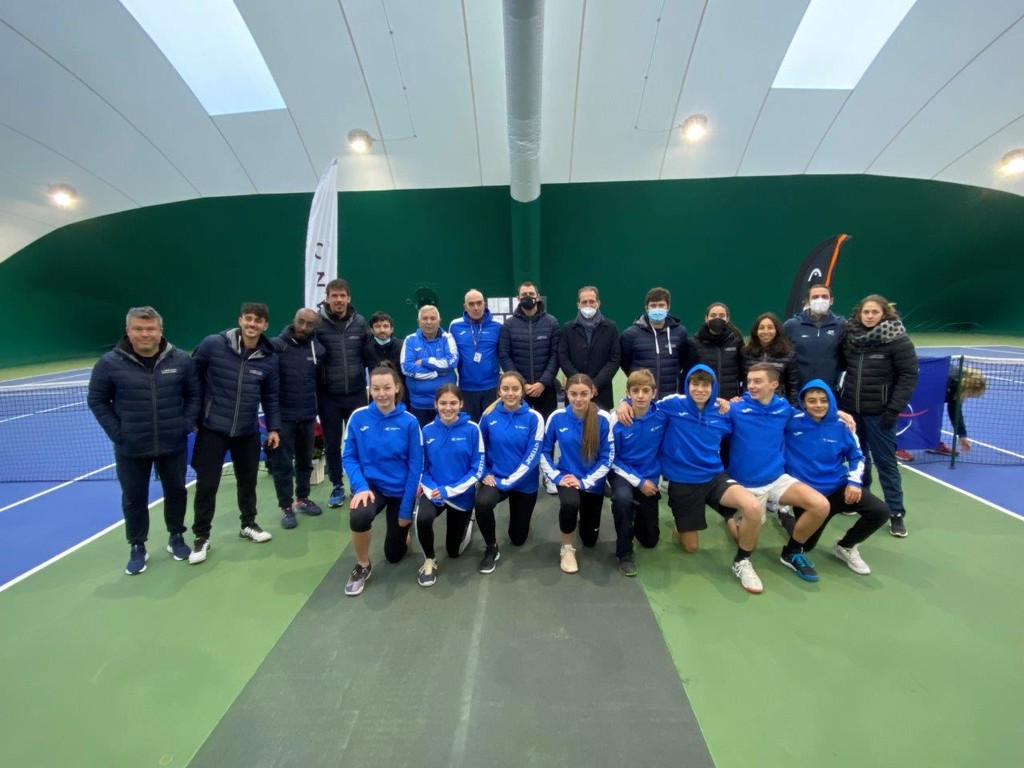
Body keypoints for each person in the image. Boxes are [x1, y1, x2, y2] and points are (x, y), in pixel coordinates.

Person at [616, 364, 765, 593]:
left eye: (706, 385)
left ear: (713, 388)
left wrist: (731, 402)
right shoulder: (672, 405)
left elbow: (753, 409)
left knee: (753, 508)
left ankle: (742, 561)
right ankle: (684, 524)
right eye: (695, 384)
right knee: (690, 548)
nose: (700, 389)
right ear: (688, 385)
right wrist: (623, 402)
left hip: (714, 477)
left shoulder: (724, 410)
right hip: (683, 481)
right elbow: (643, 402)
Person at [88, 306, 200, 575]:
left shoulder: (180, 360)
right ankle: (137, 545)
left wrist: (184, 425)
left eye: (150, 328)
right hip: (131, 447)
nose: (145, 334)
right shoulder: (109, 364)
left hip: (172, 443)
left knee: (177, 492)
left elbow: (195, 395)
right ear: (128, 331)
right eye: (138, 329)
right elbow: (97, 400)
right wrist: (118, 433)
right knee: (134, 498)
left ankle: (176, 536)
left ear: (160, 331)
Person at [189, 302, 281, 564]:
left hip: (247, 430)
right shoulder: (212, 345)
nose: (252, 324)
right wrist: (194, 415)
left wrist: (273, 428)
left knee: (248, 480)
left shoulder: (269, 357)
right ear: (240, 320)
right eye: (248, 318)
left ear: (265, 326)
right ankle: (201, 537)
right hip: (212, 429)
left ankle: (248, 524)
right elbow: (191, 379)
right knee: (207, 484)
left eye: (258, 321)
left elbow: (271, 396)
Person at [723, 364, 832, 584]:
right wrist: (721, 402)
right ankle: (731, 522)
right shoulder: (736, 408)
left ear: (774, 384)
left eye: (757, 381)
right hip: (746, 484)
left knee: (820, 505)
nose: (751, 385)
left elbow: (811, 415)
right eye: (749, 380)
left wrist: (839, 413)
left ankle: (791, 552)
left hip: (776, 478)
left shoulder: (784, 409)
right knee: (747, 541)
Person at [784, 380, 890, 574]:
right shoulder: (791, 421)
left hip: (838, 489)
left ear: (830, 401)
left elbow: (857, 456)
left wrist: (854, 482)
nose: (818, 405)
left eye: (824, 400)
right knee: (806, 545)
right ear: (803, 403)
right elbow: (768, 410)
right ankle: (784, 515)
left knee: (881, 512)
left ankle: (845, 546)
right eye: (812, 401)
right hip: (808, 495)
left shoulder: (843, 426)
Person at [839, 294, 918, 537]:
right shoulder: (851, 338)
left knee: (886, 462)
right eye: (866, 312)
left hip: (880, 413)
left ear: (885, 314)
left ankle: (896, 512)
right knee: (859, 458)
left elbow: (908, 376)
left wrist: (893, 409)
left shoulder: (897, 340)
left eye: (875, 312)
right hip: (853, 412)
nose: (870, 316)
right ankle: (862, 498)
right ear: (859, 314)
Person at [342, 364, 424, 596]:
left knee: (394, 555)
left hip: (400, 490)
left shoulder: (409, 422)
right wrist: (360, 487)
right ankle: (362, 565)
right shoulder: (358, 417)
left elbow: (416, 468)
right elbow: (349, 456)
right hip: (371, 487)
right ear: (370, 390)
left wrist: (406, 509)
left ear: (397, 388)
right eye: (376, 388)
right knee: (359, 515)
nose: (381, 394)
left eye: (387, 388)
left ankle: (404, 531)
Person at [541, 373, 615, 574]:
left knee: (590, 540)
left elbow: (608, 457)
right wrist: (557, 477)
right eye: (573, 394)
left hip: (592, 482)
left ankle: (584, 518)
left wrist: (584, 482)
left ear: (592, 393)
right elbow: (544, 451)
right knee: (570, 503)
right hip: (567, 477)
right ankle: (566, 548)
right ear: (566, 394)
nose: (578, 399)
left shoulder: (603, 418)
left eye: (584, 393)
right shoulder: (557, 417)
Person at [414, 384, 485, 587]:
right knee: (422, 518)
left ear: (461, 404)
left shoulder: (473, 429)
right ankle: (429, 560)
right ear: (435, 404)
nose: (448, 408)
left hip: (460, 496)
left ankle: (468, 520)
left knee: (454, 552)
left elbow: (477, 469)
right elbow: (422, 468)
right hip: (435, 491)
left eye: (453, 403)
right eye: (443, 403)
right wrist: (431, 490)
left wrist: (449, 490)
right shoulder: (427, 430)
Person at [475, 371, 544, 573]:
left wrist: (507, 482)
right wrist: (484, 473)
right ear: (499, 391)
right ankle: (491, 547)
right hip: (496, 478)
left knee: (518, 539)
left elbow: (532, 456)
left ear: (523, 391)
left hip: (524, 483)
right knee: (482, 503)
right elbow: (478, 448)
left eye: (515, 389)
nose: (510, 393)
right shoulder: (488, 416)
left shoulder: (534, 418)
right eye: (505, 389)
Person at [269, 308, 325, 530]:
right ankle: (286, 507)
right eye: (301, 321)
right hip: (283, 417)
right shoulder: (276, 346)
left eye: (309, 324)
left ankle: (302, 498)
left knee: (305, 461)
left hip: (308, 415)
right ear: (294, 320)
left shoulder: (317, 349)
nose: (303, 327)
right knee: (282, 464)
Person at [316, 278, 369, 510]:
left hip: (357, 394)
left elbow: (369, 355)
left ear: (349, 298)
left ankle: (359, 484)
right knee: (332, 444)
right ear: (327, 298)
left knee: (360, 442)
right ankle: (337, 485)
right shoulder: (317, 324)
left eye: (342, 296)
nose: (338, 300)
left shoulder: (360, 322)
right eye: (334, 296)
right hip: (329, 396)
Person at [609, 369, 663, 577]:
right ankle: (624, 552)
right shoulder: (617, 419)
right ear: (628, 393)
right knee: (622, 500)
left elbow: (690, 400)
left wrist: (722, 402)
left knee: (650, 541)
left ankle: (636, 511)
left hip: (649, 476)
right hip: (621, 472)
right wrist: (639, 482)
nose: (640, 396)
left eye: (646, 391)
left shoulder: (662, 416)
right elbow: (611, 458)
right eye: (635, 391)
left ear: (653, 393)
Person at [497, 281, 561, 420]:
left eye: (531, 294)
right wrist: (521, 384)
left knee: (546, 427)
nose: (528, 297)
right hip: (519, 390)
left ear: (538, 296)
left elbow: (555, 355)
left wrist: (543, 382)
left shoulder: (552, 322)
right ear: (518, 298)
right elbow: (504, 355)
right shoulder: (509, 325)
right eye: (524, 294)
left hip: (546, 389)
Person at [558, 285, 621, 410]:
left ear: (598, 303)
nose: (588, 305)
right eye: (584, 302)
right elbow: (563, 358)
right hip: (575, 394)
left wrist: (595, 384)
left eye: (592, 301)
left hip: (601, 393)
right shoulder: (568, 329)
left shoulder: (610, 328)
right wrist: (580, 384)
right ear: (578, 305)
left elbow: (615, 359)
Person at [619, 286, 687, 399]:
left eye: (661, 305)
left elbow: (683, 361)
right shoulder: (630, 334)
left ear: (668, 307)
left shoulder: (680, 332)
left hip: (671, 397)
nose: (657, 309)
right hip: (642, 398)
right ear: (647, 307)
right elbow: (625, 363)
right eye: (653, 306)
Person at [401, 304, 459, 427]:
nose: (429, 322)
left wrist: (425, 362)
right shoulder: (410, 340)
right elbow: (407, 368)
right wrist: (436, 373)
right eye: (425, 318)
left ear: (439, 321)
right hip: (419, 406)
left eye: (433, 318)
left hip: (446, 405)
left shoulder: (448, 338)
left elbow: (452, 362)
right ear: (418, 322)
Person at [449, 289, 502, 421]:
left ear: (484, 304)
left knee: (491, 427)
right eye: (471, 304)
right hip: (466, 389)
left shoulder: (498, 325)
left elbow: (504, 354)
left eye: (479, 303)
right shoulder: (455, 326)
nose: (476, 307)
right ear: (465, 307)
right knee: (469, 427)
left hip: (492, 387)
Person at [783, 283, 846, 393]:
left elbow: (846, 359)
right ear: (807, 301)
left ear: (831, 301)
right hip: (798, 391)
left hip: (829, 392)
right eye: (815, 297)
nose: (820, 300)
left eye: (824, 297)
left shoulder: (841, 325)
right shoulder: (791, 326)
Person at [740, 312, 800, 405]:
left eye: (770, 327)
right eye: (761, 328)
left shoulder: (788, 354)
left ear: (777, 330)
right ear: (756, 331)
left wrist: (793, 407)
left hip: (776, 404)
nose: (766, 331)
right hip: (750, 403)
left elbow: (792, 386)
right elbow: (742, 380)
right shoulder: (746, 353)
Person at [687, 302, 744, 399]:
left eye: (722, 316)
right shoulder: (694, 343)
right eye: (713, 315)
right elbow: (689, 374)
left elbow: (743, 372)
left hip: (731, 401)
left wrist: (741, 396)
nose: (717, 319)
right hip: (704, 400)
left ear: (727, 319)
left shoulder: (736, 341)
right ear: (706, 319)